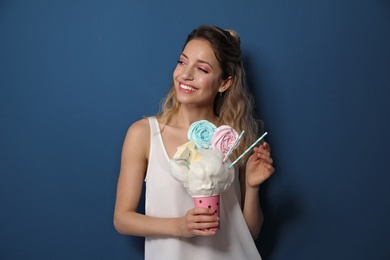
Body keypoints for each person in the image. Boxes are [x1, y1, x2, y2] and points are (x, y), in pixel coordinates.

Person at [113, 24, 275, 260]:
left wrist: (252, 187)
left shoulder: (232, 138)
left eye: (202, 69)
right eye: (182, 62)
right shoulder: (144, 134)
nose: (185, 75)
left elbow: (248, 232)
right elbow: (122, 219)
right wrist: (178, 226)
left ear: (224, 83)